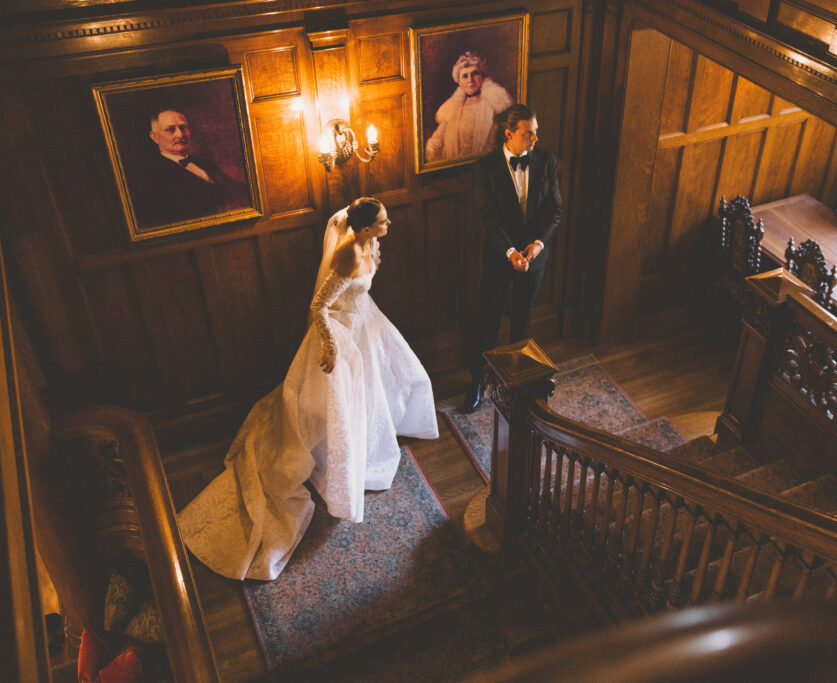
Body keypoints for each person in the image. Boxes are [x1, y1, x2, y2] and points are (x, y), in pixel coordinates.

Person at [177, 198, 439, 581]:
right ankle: (335, 461)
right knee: (339, 406)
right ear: (365, 229)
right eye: (383, 221)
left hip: (366, 321)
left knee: (395, 381)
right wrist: (332, 347)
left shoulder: (370, 241)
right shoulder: (348, 253)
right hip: (339, 334)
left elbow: (363, 270)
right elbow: (319, 306)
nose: (389, 224)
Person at [462, 104, 562, 412]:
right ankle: (477, 379)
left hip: (534, 257)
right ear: (509, 134)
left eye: (536, 132)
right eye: (528, 133)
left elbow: (554, 210)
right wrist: (510, 252)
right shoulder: (485, 168)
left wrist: (537, 245)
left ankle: (517, 384)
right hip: (498, 256)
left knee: (522, 319)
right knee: (489, 320)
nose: (535, 138)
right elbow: (487, 217)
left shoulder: (546, 161)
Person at [130, 108, 249, 226]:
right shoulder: (151, 176)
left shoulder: (205, 164)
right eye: (171, 130)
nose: (180, 134)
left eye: (183, 128)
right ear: (155, 137)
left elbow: (237, 189)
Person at [425, 52, 513, 163]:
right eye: (465, 76)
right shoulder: (452, 108)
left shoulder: (493, 106)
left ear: (482, 76)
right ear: (459, 82)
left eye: (475, 73)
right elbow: (437, 140)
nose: (470, 80)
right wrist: (432, 148)